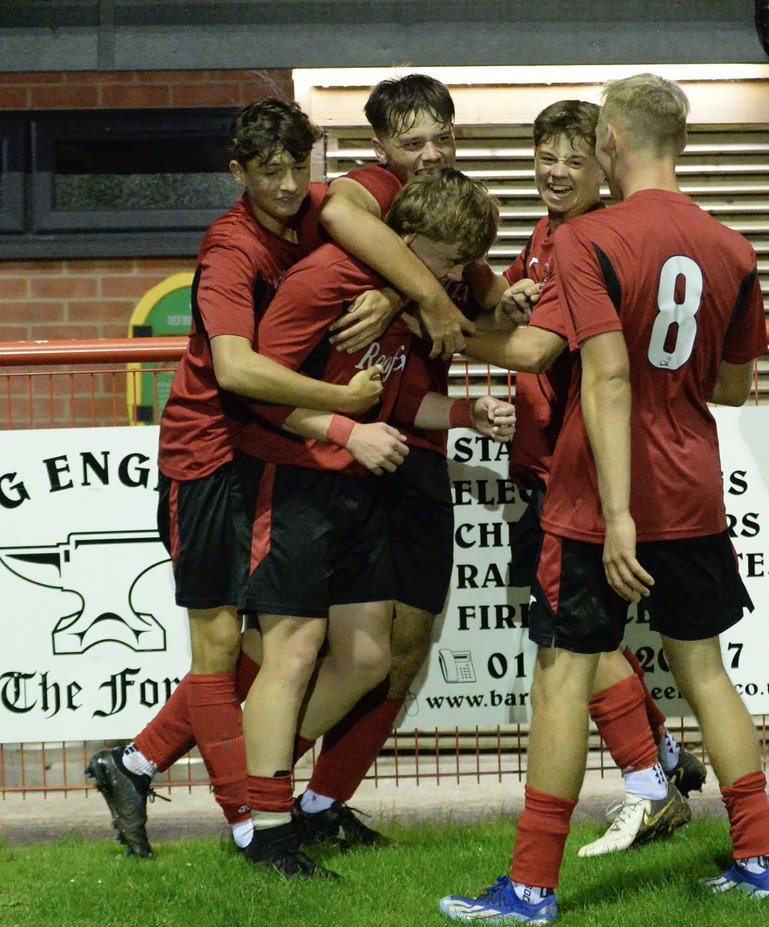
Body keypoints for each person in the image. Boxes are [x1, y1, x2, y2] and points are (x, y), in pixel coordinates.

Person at [440, 74, 769, 924]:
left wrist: (620, 514)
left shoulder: (588, 238)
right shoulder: (734, 247)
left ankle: (530, 887)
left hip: (598, 499)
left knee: (561, 676)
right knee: (705, 670)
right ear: (682, 143)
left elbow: (605, 375)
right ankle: (758, 858)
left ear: (611, 144)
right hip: (693, 489)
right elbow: (734, 386)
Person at [84, 98, 384, 860]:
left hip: (268, 455)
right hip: (206, 459)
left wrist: (390, 293)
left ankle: (136, 763)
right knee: (222, 645)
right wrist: (343, 406)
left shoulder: (321, 211)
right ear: (237, 172)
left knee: (270, 639)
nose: (286, 184)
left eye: (297, 166)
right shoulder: (230, 248)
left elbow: (392, 223)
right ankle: (252, 826)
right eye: (268, 171)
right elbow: (235, 368)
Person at [234, 167, 509, 877]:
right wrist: (344, 429)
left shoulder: (401, 301)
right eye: (451, 261)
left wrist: (468, 413)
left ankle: (254, 792)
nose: (455, 279)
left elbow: (397, 401)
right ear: (407, 238)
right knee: (292, 651)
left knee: (366, 661)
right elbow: (252, 388)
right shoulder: (325, 280)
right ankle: (268, 830)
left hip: (353, 488)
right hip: (292, 480)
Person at [470, 99, 706, 861]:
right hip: (551, 469)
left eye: (575, 157)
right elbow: (514, 323)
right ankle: (662, 758)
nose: (558, 171)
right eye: (546, 155)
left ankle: (647, 782)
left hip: (579, 479)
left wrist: (444, 329)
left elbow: (536, 351)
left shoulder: (592, 241)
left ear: (605, 161)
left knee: (572, 645)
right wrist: (500, 303)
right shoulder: (543, 238)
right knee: (582, 639)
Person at [319, 73, 474, 359]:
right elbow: (336, 212)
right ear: (381, 150)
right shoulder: (383, 183)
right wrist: (432, 297)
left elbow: (482, 286)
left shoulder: (451, 197)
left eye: (443, 139)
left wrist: (512, 299)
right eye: (413, 144)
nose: (433, 155)